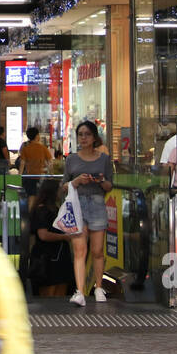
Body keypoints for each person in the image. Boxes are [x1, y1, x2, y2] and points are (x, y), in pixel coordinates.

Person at [63, 120, 114, 306]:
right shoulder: (71, 159)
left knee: (98, 250)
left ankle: (98, 287)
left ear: (94, 137)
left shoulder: (104, 159)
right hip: (77, 204)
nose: (83, 138)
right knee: (79, 250)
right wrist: (76, 182)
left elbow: (109, 185)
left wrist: (99, 180)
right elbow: (63, 186)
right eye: (80, 134)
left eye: (87, 134)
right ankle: (80, 291)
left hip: (98, 202)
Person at [28, 178, 74, 297]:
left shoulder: (51, 209)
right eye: (59, 189)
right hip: (49, 260)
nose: (61, 191)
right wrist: (64, 237)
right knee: (51, 294)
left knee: (59, 291)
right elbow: (43, 235)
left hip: (56, 258)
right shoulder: (43, 210)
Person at [16, 127, 53, 207]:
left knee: (31, 197)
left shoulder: (26, 149)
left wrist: (19, 175)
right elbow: (50, 162)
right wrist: (50, 174)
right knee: (40, 198)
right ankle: (36, 216)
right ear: (37, 136)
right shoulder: (43, 148)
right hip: (40, 177)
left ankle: (30, 216)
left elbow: (22, 163)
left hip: (29, 177)